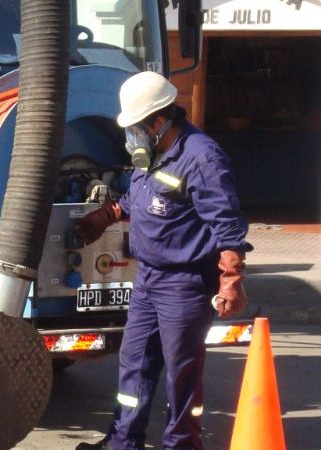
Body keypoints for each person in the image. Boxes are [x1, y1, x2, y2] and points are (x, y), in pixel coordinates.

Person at [75, 71, 251, 450]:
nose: (130, 138)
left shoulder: (202, 158)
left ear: (158, 122)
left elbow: (227, 224)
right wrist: (108, 214)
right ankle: (124, 442)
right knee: (134, 364)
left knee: (181, 375)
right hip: (148, 281)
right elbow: (140, 198)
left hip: (185, 284)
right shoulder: (152, 157)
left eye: (135, 128)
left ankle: (182, 445)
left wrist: (230, 278)